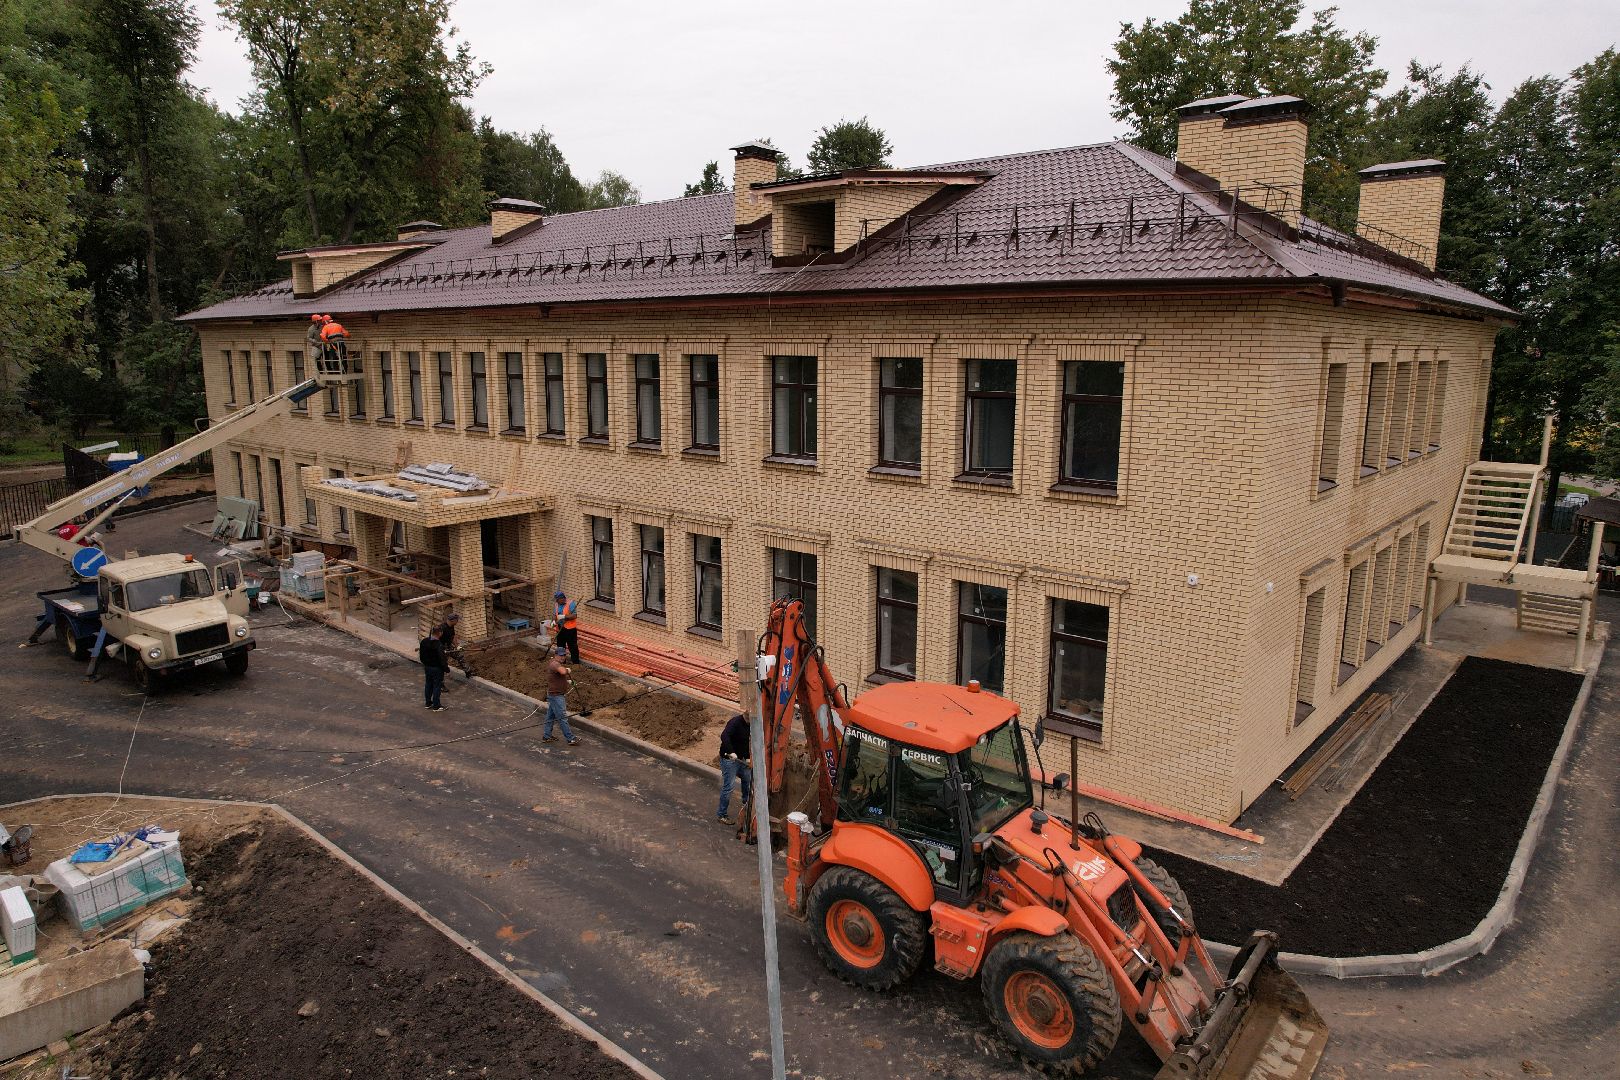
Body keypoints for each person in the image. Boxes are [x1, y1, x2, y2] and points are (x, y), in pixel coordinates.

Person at [716, 712, 752, 825]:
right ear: (747, 717)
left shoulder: (751, 725)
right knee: (729, 787)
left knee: (748, 781)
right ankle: (722, 815)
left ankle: (747, 807)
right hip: (729, 760)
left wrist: (748, 757)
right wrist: (731, 752)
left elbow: (746, 742)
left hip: (741, 760)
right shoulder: (735, 722)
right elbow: (724, 736)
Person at [419, 626, 449, 712]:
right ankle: (436, 706)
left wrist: (425, 664)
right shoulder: (438, 645)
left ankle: (428, 703)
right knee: (437, 686)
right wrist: (446, 669)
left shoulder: (424, 641)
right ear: (440, 633)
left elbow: (421, 655)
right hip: (437, 669)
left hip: (427, 667)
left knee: (428, 684)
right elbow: (442, 659)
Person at [552, 590, 580, 664]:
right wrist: (553, 621)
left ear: (562, 598)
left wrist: (564, 616)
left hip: (570, 629)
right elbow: (554, 614)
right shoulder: (557, 604)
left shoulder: (571, 604)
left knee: (572, 646)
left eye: (557, 600)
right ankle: (562, 662)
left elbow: (574, 616)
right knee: (560, 646)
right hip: (560, 628)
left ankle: (575, 663)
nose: (556, 601)